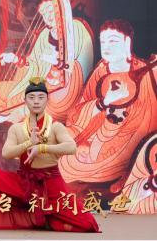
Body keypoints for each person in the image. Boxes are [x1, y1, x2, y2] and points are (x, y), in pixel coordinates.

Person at [0, 77, 100, 232]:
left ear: (47, 100)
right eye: (32, 97)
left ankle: (45, 220)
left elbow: (71, 147)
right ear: (25, 100)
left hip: (51, 185)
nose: (36, 101)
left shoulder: (55, 126)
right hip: (24, 183)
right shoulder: (17, 128)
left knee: (87, 224)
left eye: (41, 97)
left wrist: (42, 148)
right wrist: (28, 144)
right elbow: (6, 153)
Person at [60, 20, 157, 188]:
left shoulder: (145, 72)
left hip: (124, 138)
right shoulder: (101, 70)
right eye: (103, 41)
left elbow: (143, 116)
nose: (106, 46)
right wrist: (104, 102)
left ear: (127, 42)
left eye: (113, 41)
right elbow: (78, 111)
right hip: (92, 128)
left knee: (71, 162)